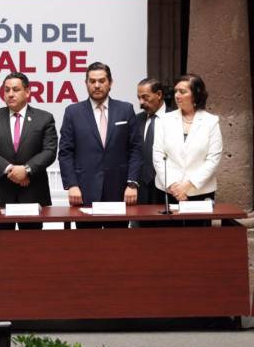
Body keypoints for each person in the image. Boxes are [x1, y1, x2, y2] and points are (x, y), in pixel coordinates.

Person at [58, 62, 142, 229]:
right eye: (92, 81)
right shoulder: (73, 112)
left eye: (102, 81)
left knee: (117, 240)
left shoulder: (125, 109)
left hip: (120, 190)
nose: (97, 85)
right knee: (87, 242)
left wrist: (132, 183)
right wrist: (72, 185)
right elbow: (65, 152)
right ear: (86, 83)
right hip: (84, 190)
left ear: (110, 83)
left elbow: (135, 149)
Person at [0, 73, 58, 230]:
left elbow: (49, 151)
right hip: (0, 193)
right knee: (0, 243)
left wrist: (26, 170)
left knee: (31, 243)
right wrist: (11, 170)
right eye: (6, 90)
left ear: (27, 92)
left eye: (15, 90)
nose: (10, 94)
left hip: (32, 192)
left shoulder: (44, 118)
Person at [153, 74, 221, 226]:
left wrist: (187, 185)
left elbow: (213, 159)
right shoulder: (164, 120)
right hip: (168, 190)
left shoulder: (211, 122)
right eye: (176, 91)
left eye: (182, 92)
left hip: (200, 190)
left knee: (197, 237)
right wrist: (173, 186)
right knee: (168, 236)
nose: (177, 95)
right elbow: (158, 156)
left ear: (196, 94)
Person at [135, 78, 173, 211]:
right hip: (141, 188)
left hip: (168, 187)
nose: (141, 102)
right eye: (139, 98)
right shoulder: (136, 120)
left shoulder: (175, 118)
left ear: (159, 94)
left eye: (145, 97)